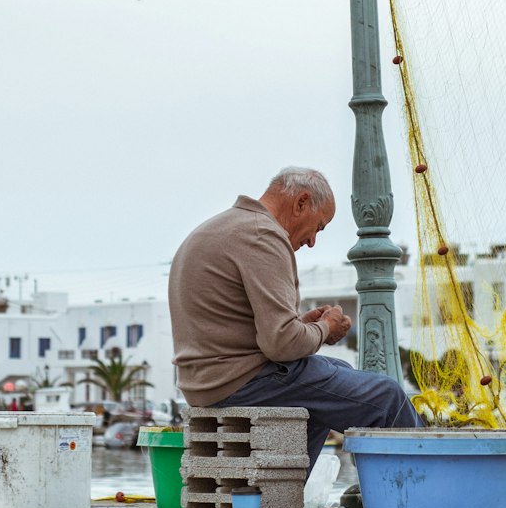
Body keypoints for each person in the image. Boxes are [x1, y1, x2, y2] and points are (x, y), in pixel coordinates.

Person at [168, 166, 419, 471]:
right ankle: (423, 495)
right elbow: (282, 345)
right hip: (239, 382)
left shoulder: (218, 228)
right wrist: (325, 328)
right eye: (319, 226)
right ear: (301, 203)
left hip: (202, 382)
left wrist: (304, 325)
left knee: (332, 373)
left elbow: (238, 325)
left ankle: (286, 498)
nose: (313, 241)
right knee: (386, 395)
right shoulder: (264, 236)